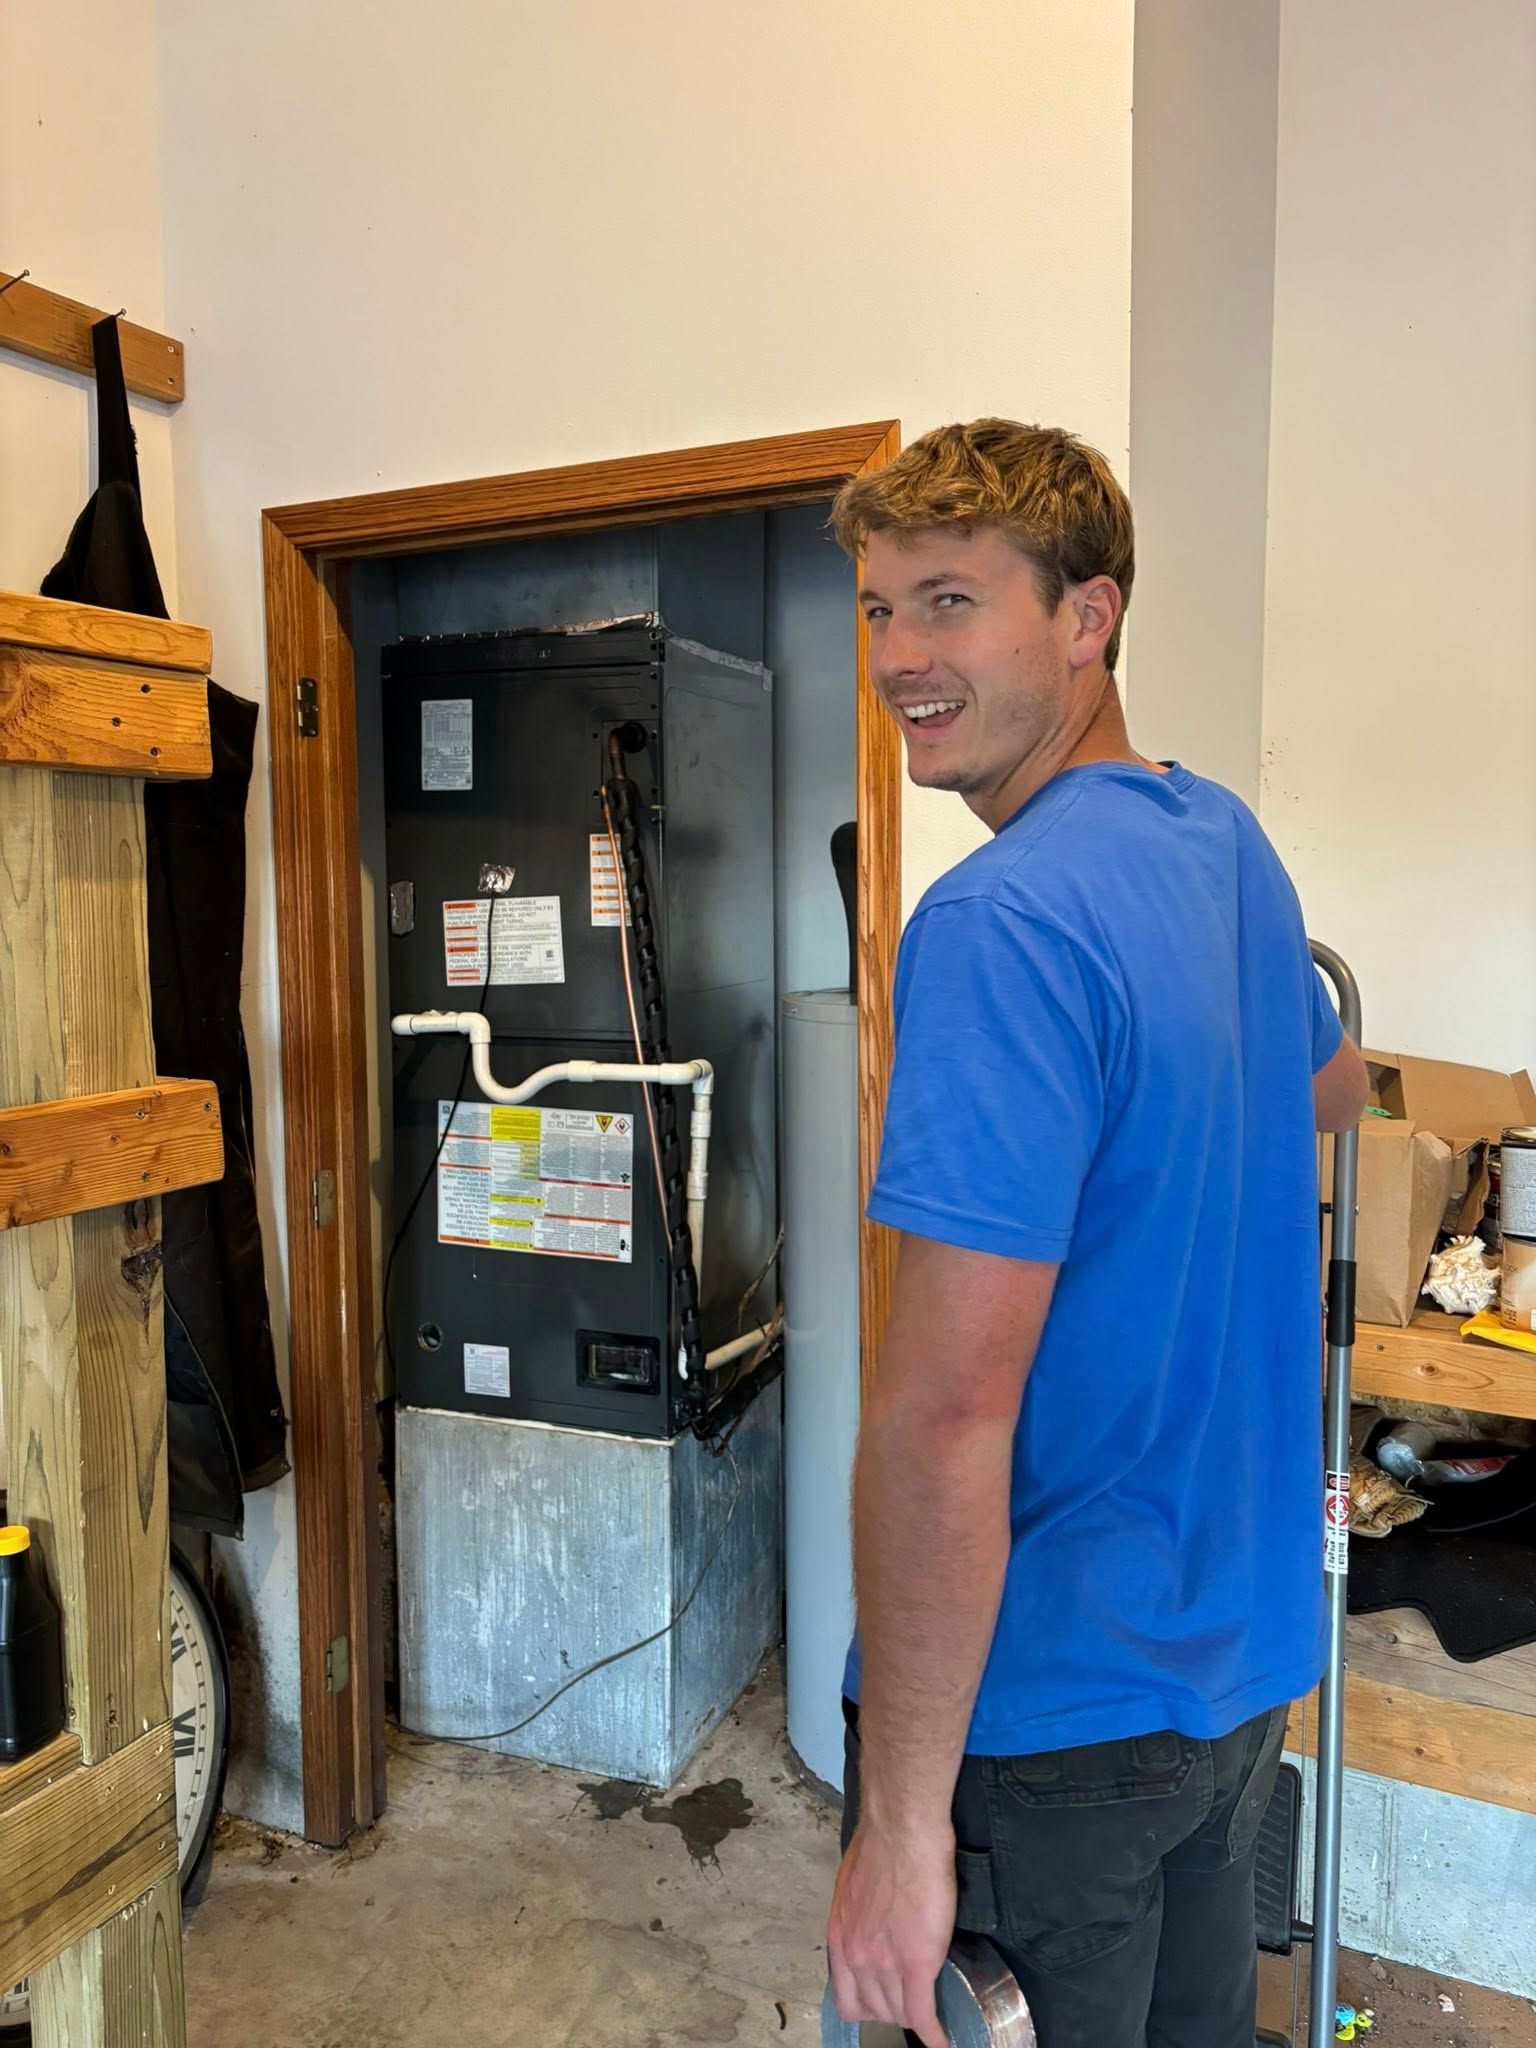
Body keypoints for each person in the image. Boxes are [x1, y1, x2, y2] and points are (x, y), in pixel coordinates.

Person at [825, 419, 1370, 2048]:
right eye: (876, 612)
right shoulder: (1223, 847)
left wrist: (901, 1826)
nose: (902, 659)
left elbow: (941, 1421)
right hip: (1235, 1678)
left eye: (948, 603)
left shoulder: (1002, 920)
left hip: (1050, 1713)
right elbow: (1329, 1087)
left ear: (1088, 616)